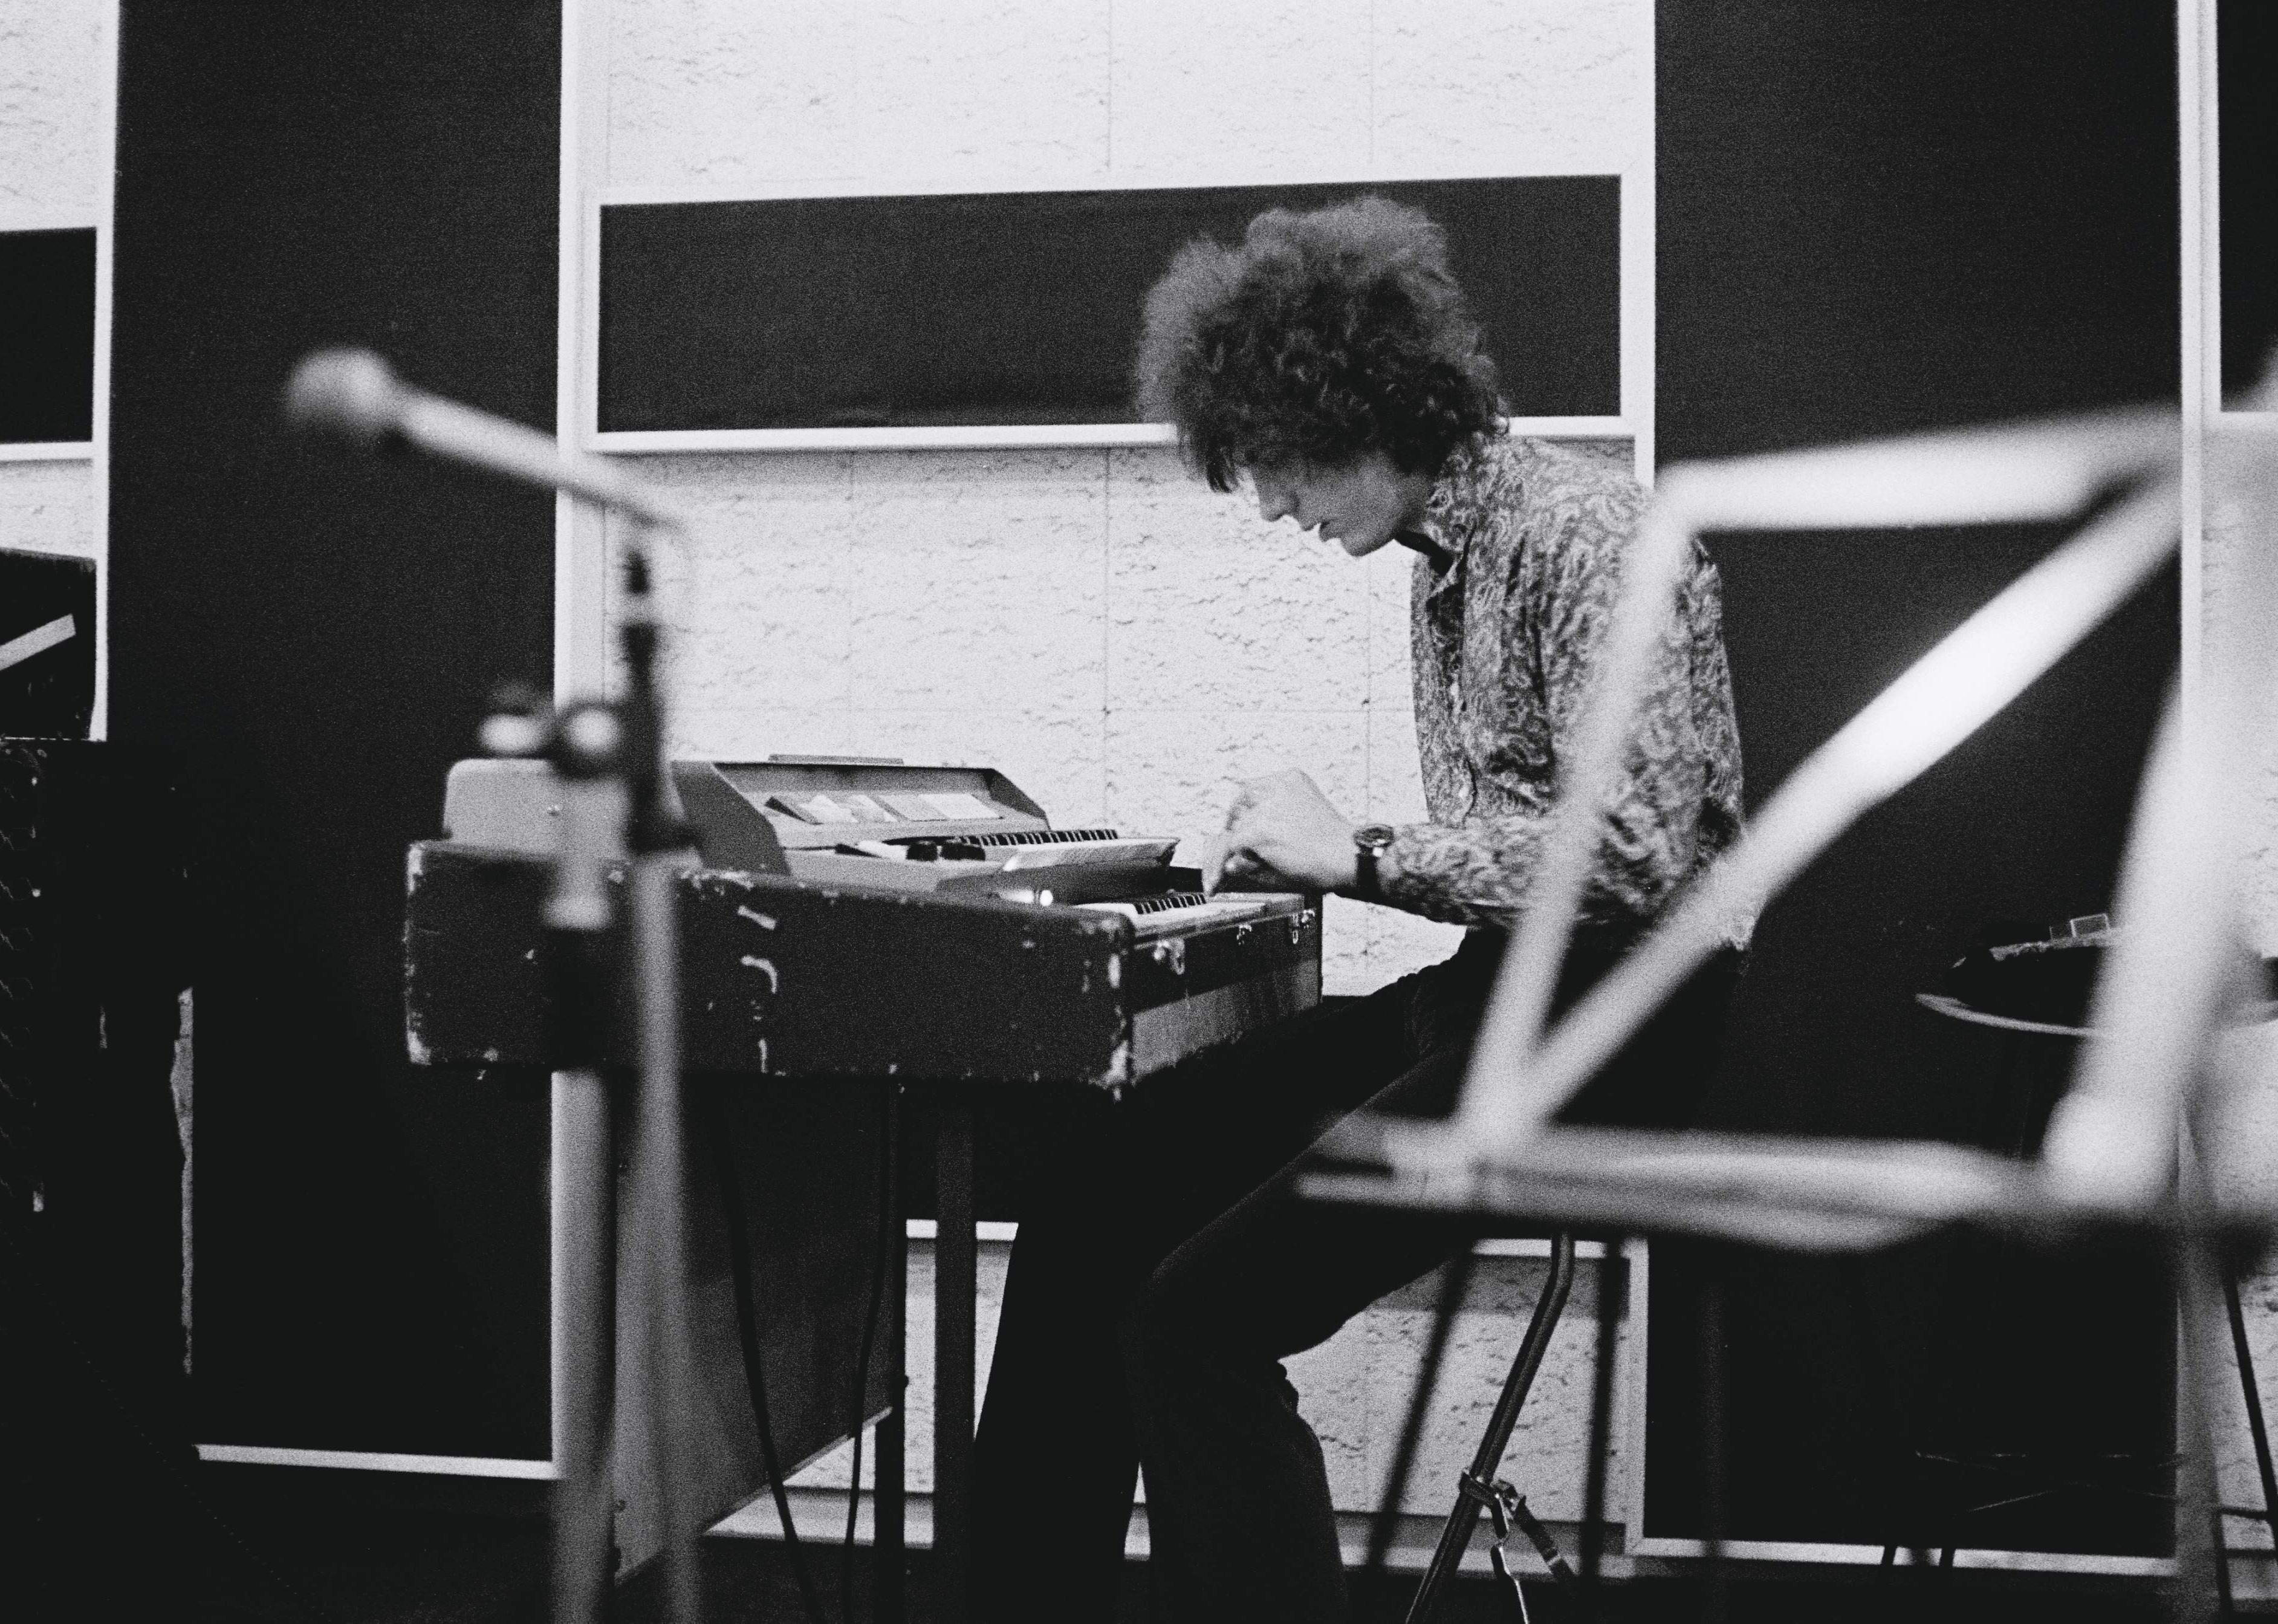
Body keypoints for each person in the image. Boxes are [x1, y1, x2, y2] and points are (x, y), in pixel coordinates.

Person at [970, 196, 1747, 1622]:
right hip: (1505, 984)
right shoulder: (1440, 563)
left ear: (1360, 408)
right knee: (1098, 1187)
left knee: (1196, 1319)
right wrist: (1341, 860)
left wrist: (1365, 854)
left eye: (1275, 463)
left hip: (1628, 1022)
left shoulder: (1592, 532)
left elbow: (1633, 851)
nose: (1269, 503)